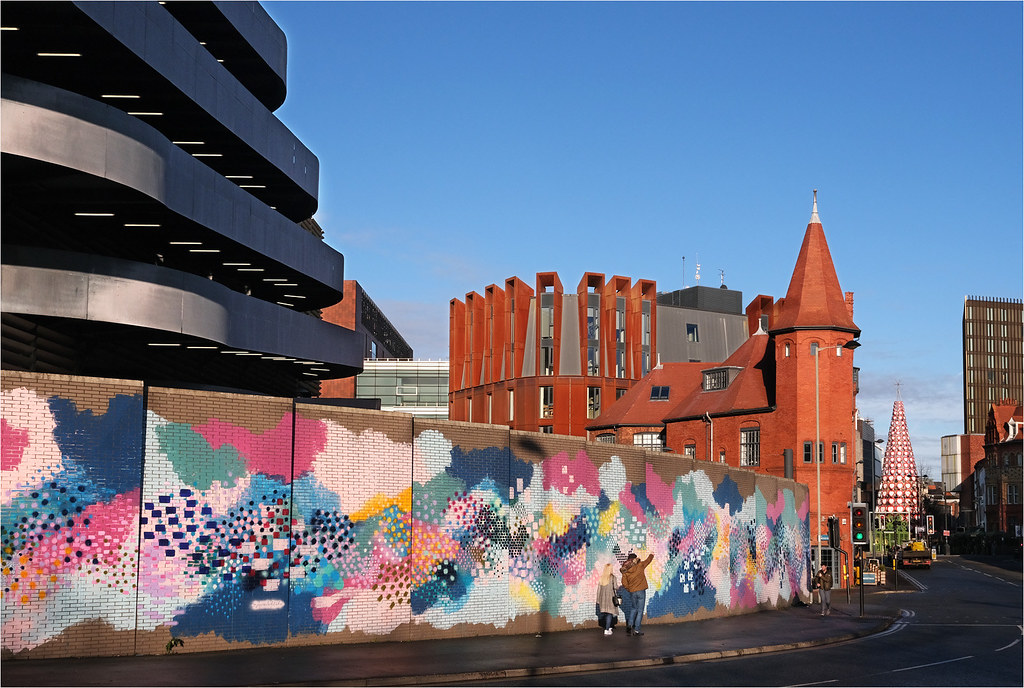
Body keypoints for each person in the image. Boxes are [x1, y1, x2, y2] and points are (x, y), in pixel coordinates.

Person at [619, 550, 655, 636]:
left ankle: (630, 625)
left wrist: (629, 589)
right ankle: (637, 630)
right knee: (640, 610)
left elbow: (624, 583)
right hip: (641, 591)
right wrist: (651, 555)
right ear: (635, 559)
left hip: (632, 592)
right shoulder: (640, 565)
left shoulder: (625, 570)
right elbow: (648, 561)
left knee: (633, 608)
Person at [594, 563, 619, 635]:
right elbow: (615, 587)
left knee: (606, 613)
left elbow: (599, 589)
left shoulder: (602, 578)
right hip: (610, 598)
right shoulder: (613, 577)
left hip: (602, 598)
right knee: (609, 613)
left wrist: (598, 600)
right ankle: (607, 629)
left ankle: (608, 627)